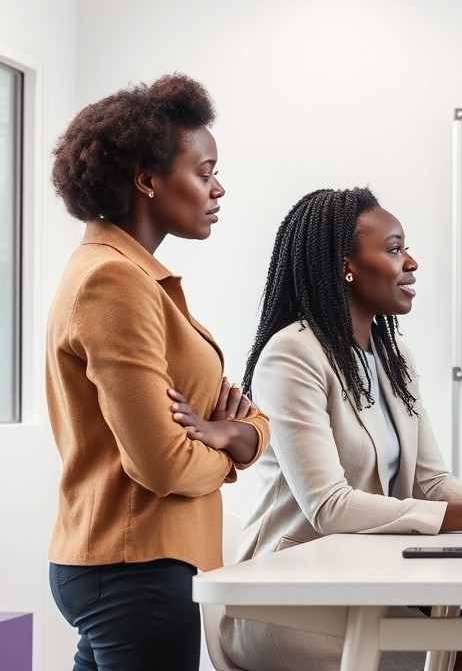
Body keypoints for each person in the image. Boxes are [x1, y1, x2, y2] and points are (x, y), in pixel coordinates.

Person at [222, 188, 462, 671]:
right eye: (394, 249)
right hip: (290, 602)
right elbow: (329, 506)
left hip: (370, 586)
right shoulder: (292, 355)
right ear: (345, 265)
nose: (411, 262)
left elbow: (431, 482)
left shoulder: (393, 358)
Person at [46, 73, 270, 671]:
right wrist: (231, 449)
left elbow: (244, 418)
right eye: (203, 172)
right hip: (134, 567)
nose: (217, 188)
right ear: (147, 181)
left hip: (128, 566)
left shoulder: (127, 272)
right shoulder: (113, 280)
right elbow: (162, 462)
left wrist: (235, 430)